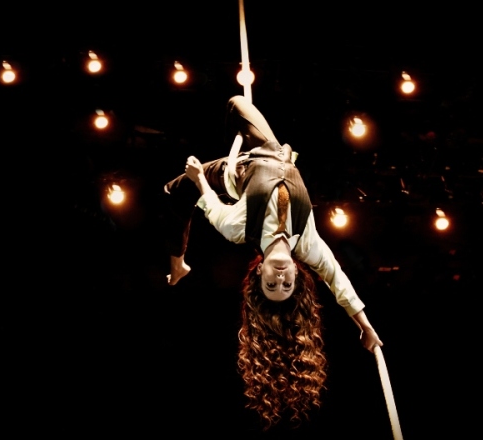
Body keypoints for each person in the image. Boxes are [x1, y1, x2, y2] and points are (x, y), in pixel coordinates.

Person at [164, 95, 382, 427]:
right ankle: (237, 137)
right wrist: (365, 327)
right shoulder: (307, 245)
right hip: (274, 153)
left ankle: (178, 264)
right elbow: (340, 284)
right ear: (296, 274)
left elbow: (210, 204)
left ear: (259, 273)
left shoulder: (239, 230)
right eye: (286, 284)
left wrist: (198, 178)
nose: (280, 277)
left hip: (232, 174)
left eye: (271, 284)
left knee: (173, 192)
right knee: (238, 103)